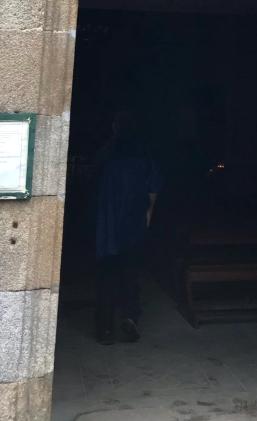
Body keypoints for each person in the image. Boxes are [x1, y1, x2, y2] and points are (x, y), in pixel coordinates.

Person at [94, 111, 163, 344]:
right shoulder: (142, 155)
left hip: (107, 224)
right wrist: (149, 212)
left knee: (107, 274)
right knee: (130, 271)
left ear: (115, 128)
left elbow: (90, 185)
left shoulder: (105, 153)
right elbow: (154, 184)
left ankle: (105, 328)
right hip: (133, 220)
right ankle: (129, 316)